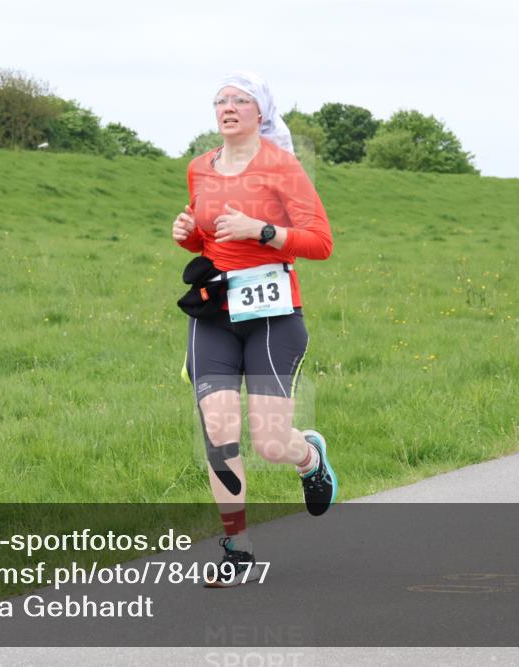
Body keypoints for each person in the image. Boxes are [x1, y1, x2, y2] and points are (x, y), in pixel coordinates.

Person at [173, 71, 337, 587]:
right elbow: (206, 238)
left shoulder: (282, 167)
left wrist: (262, 231)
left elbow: (320, 242)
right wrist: (187, 234)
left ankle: (308, 457)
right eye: (220, 100)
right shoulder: (199, 168)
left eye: (239, 100)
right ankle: (237, 549)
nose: (227, 107)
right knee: (219, 433)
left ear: (259, 112)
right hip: (216, 314)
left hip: (273, 315)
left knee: (269, 442)